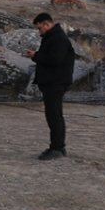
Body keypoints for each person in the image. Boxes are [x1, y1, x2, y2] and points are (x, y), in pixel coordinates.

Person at [25, 12, 77, 160]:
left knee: (54, 116)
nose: (39, 31)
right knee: (52, 115)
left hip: (56, 82)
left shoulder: (58, 39)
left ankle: (57, 148)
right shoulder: (52, 37)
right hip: (52, 82)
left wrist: (35, 56)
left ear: (47, 24)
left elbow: (55, 59)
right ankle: (57, 146)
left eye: (40, 28)